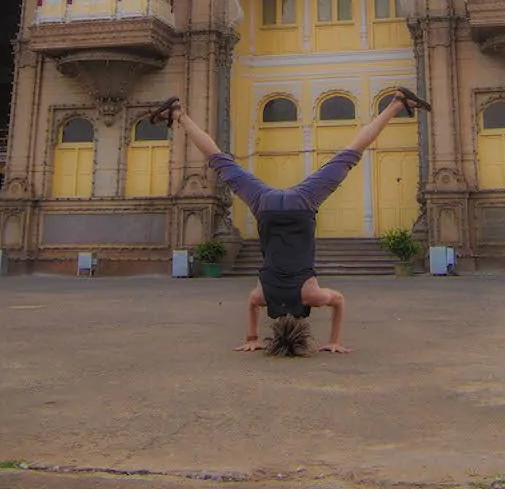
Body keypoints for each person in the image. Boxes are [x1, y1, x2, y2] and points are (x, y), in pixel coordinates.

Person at [150, 87, 432, 355]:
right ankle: (179, 114)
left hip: (301, 205)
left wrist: (334, 341)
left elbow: (339, 301)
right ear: (276, 328)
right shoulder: (264, 297)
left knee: (349, 155)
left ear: (301, 326)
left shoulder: (311, 296)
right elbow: (251, 304)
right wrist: (251, 338)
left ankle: (395, 104)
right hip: (267, 206)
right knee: (219, 161)